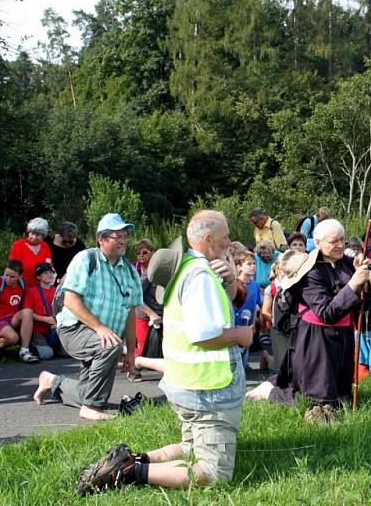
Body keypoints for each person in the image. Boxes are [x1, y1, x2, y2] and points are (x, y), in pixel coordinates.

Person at [73, 210, 250, 495]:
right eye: (225, 236)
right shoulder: (200, 276)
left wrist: (229, 280)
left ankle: (132, 460)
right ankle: (129, 472)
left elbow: (218, 304)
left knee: (190, 447)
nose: (229, 241)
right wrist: (243, 335)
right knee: (214, 472)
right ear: (207, 238)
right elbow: (204, 335)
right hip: (208, 388)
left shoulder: (185, 271)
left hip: (187, 385)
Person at [246, 219, 371, 418]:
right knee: (314, 399)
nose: (340, 245)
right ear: (318, 242)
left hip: (342, 337)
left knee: (341, 398)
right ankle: (269, 391)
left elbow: (361, 303)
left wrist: (363, 278)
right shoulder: (309, 271)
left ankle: (276, 382)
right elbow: (326, 313)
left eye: (342, 240)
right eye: (333, 241)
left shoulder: (347, 263)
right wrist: (354, 283)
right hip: (316, 340)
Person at [33, 213, 143, 420]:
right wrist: (101, 328)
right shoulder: (86, 259)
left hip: (104, 336)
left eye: (125, 235)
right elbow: (70, 300)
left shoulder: (130, 270)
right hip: (74, 329)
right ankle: (92, 408)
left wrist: (131, 352)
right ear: (101, 239)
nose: (122, 240)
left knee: (86, 391)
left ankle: (51, 381)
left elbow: (130, 312)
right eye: (116, 235)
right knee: (110, 346)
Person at [0, 259, 39, 362]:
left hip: (12, 318)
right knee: (13, 337)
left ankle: (24, 351)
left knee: (27, 312)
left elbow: (26, 305)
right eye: (6, 275)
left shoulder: (23, 284)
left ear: (20, 276)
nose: (8, 279)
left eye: (12, 277)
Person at [130, 239, 163, 373]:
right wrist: (151, 314)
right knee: (143, 348)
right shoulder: (145, 273)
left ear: (153, 252)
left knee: (158, 347)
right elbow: (134, 295)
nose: (141, 255)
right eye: (138, 253)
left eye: (145, 252)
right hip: (143, 315)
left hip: (160, 314)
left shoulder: (158, 268)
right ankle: (133, 367)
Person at [24, 262, 59, 360]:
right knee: (47, 354)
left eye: (51, 272)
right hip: (38, 330)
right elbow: (28, 313)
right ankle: (35, 347)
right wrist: (46, 319)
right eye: (46, 273)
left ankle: (55, 348)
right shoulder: (31, 291)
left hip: (55, 329)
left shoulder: (57, 291)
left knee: (68, 352)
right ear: (38, 277)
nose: (50, 275)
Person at [9, 217, 53, 288]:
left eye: (38, 235)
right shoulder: (18, 245)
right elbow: (12, 267)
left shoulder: (45, 246)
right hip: (21, 286)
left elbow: (49, 266)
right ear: (28, 232)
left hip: (40, 288)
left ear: (43, 236)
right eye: (32, 233)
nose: (34, 237)